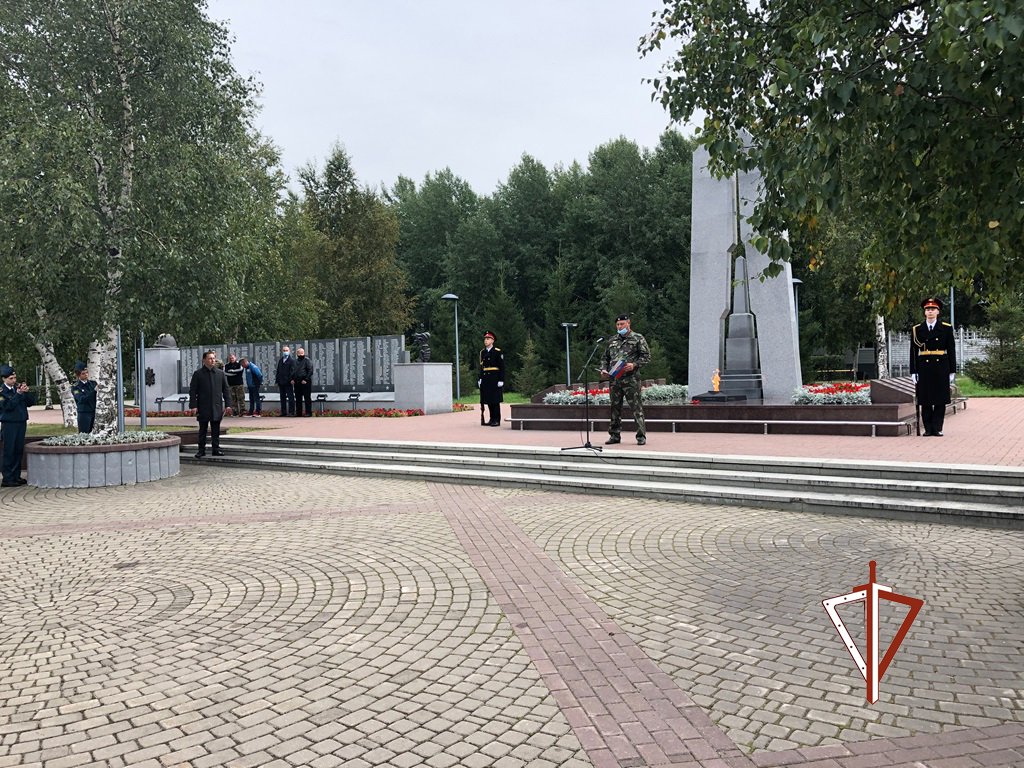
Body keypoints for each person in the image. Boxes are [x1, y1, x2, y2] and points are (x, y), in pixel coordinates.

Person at [600, 314, 651, 445]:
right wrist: (603, 369)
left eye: (622, 324)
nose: (619, 326)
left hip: (631, 379)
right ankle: (614, 435)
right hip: (615, 379)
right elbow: (605, 358)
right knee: (615, 408)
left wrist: (634, 365)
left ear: (628, 323)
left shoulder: (637, 338)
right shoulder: (612, 340)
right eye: (617, 325)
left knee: (636, 408)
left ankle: (641, 436)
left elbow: (646, 356)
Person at [910, 297, 956, 437]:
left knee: (940, 399)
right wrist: (913, 371)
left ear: (938, 311)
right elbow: (913, 351)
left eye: (933, 309)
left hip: (941, 365)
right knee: (926, 399)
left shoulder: (946, 328)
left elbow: (951, 349)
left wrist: (952, 370)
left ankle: (937, 428)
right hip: (924, 366)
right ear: (925, 312)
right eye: (928, 309)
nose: (930, 311)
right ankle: (928, 429)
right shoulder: (917, 329)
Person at [188, 349, 231, 458]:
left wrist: (228, 404)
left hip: (216, 406)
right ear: (204, 360)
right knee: (203, 429)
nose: (212, 360)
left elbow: (226, 390)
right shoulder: (198, 374)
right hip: (203, 406)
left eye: (213, 358)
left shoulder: (220, 373)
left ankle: (216, 449)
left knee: (216, 429)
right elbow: (193, 391)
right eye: (210, 359)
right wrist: (193, 405)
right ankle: (201, 450)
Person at [1, 364, 36, 486]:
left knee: (18, 450)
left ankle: (16, 475)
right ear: (4, 379)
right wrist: (18, 394)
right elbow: (7, 406)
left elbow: (31, 402)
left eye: (14, 378)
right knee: (9, 450)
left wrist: (26, 392)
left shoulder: (17, 389)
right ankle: (7, 477)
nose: (13, 380)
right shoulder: (2, 392)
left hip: (21, 422)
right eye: (11, 378)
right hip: (9, 424)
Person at [478, 331, 505, 427]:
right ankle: (491, 418)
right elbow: (481, 367)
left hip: (494, 378)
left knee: (495, 399)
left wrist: (501, 379)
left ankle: (496, 419)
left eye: (488, 339)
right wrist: (480, 378)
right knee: (488, 399)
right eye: (485, 339)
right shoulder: (483, 352)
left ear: (492, 341)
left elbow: (502, 367)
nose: (486, 341)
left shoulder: (497, 352)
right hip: (486, 378)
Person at [70, 360, 97, 433]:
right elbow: (82, 399)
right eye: (83, 373)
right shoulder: (76, 387)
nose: (86, 375)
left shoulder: (93, 384)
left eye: (87, 372)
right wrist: (94, 391)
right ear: (78, 375)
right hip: (84, 413)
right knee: (84, 433)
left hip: (94, 411)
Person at [291, 347, 314, 417]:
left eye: (302, 353)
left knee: (307, 398)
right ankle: (299, 413)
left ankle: (308, 412)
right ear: (297, 353)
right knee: (298, 398)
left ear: (304, 353)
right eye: (299, 353)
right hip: (297, 382)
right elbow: (292, 371)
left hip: (305, 382)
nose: (300, 354)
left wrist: (306, 379)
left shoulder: (307, 360)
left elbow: (310, 371)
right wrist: (292, 379)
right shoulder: (295, 361)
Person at [276, 345, 296, 416]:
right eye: (284, 351)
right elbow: (278, 371)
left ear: (289, 351)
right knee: (282, 398)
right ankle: (283, 412)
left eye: (286, 350)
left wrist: (291, 379)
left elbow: (292, 371)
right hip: (281, 382)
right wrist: (277, 381)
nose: (285, 352)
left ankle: (291, 412)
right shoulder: (281, 360)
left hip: (288, 382)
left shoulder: (292, 360)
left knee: (290, 398)